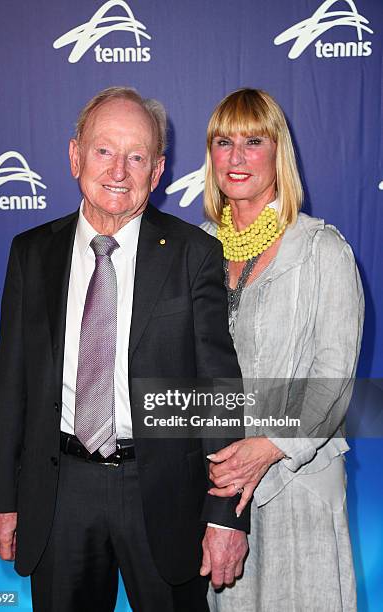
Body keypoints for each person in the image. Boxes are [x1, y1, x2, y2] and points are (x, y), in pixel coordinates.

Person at [0, 87, 251, 612]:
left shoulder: (195, 254)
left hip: (164, 496)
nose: (118, 171)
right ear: (75, 155)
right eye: (105, 150)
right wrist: (3, 499)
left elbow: (216, 392)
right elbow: (10, 386)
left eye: (136, 157)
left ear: (157, 172)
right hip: (59, 494)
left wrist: (225, 515)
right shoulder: (31, 253)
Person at [201, 88, 364, 611]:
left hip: (298, 480)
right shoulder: (194, 249)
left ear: (279, 152)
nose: (237, 157)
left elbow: (334, 375)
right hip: (219, 488)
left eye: (254, 141)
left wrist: (269, 445)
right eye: (224, 142)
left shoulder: (323, 249)